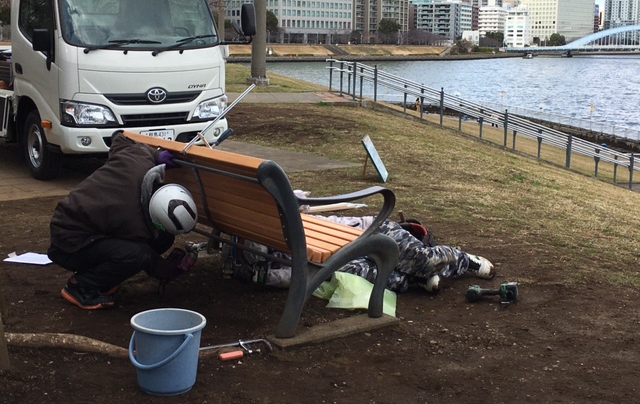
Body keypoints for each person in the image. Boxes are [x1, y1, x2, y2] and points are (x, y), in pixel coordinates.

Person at [47, 131, 199, 310]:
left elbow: (118, 137)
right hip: (68, 243)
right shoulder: (132, 221)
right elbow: (146, 257)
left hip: (88, 228)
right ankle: (81, 287)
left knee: (163, 238)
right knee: (135, 254)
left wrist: (156, 155)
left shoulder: (138, 159)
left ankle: (103, 278)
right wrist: (171, 270)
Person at [223, 214, 495, 294]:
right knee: (358, 273)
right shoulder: (265, 249)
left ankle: (463, 259)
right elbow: (296, 274)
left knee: (422, 261)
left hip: (368, 232)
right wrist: (263, 276)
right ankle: (414, 282)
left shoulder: (283, 218)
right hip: (339, 254)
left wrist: (262, 276)